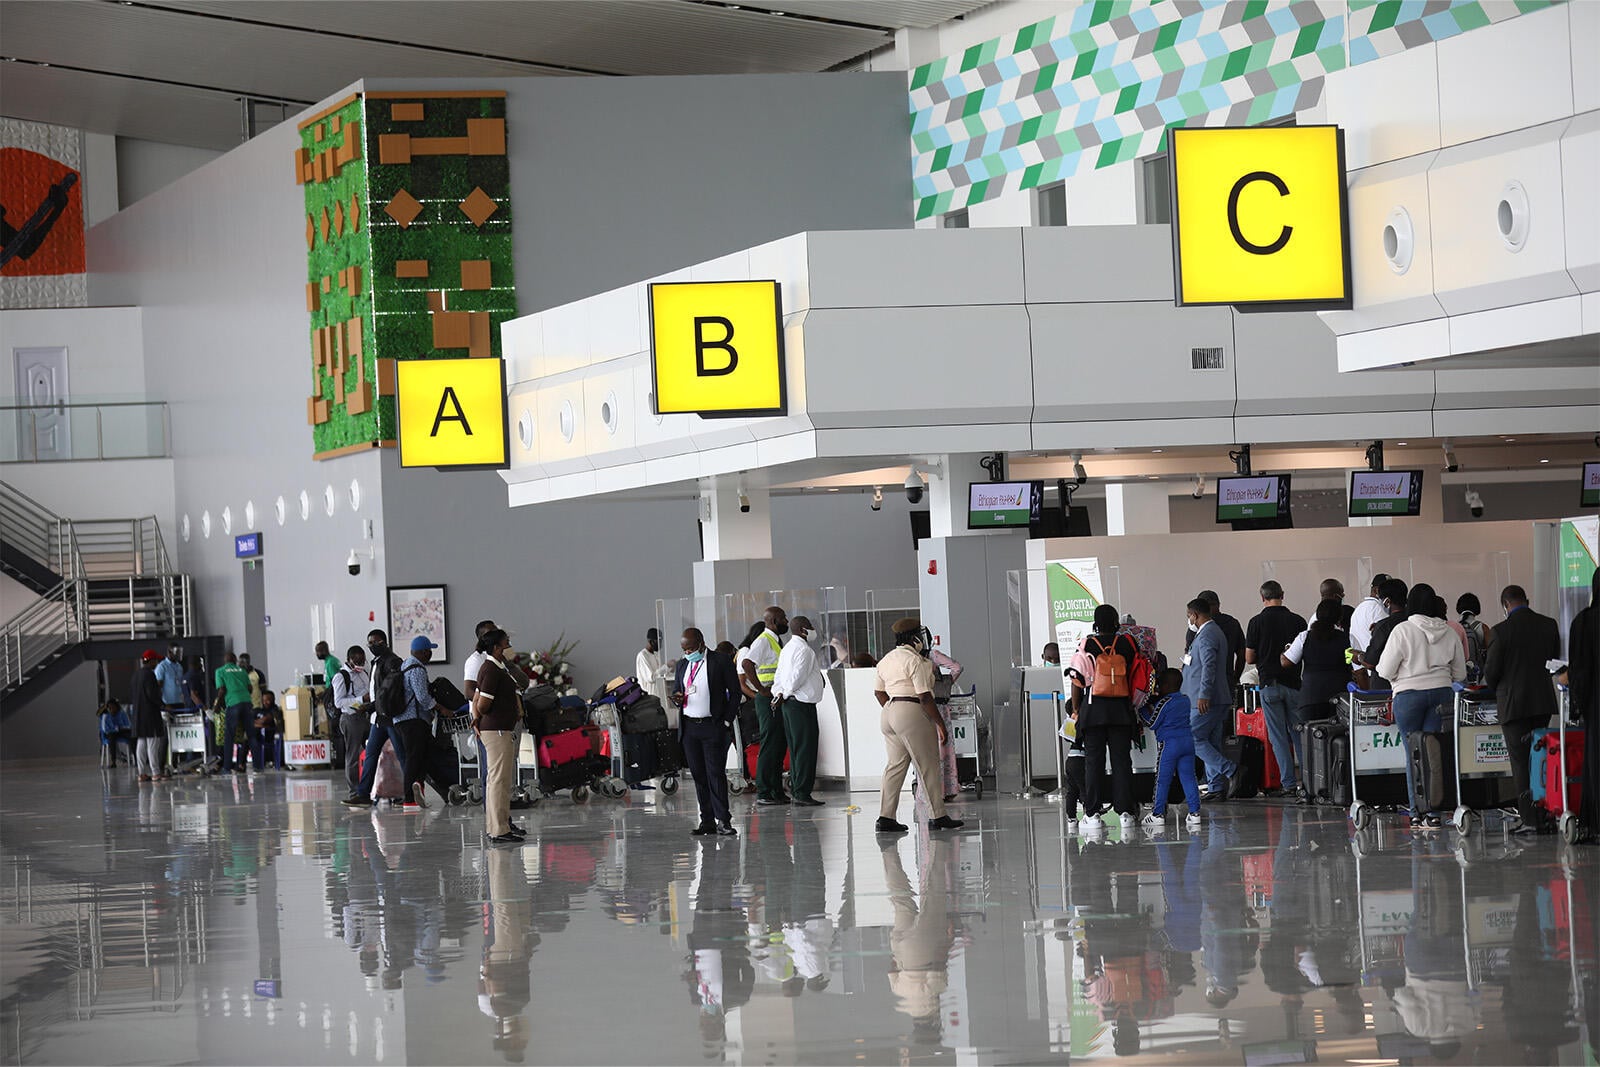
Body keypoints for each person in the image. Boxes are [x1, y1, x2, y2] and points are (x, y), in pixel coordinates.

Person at [1376, 584, 1466, 829]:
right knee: (1434, 755)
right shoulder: (1448, 632)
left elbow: (1384, 670)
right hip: (1441, 695)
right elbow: (1460, 673)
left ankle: (1417, 812)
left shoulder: (1402, 630)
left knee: (1412, 754)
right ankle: (1434, 812)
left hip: (1408, 696)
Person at [1483, 584, 1561, 834]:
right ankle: (1546, 815)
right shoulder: (1548, 624)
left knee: (1520, 762)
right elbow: (1553, 661)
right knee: (1541, 759)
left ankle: (1529, 820)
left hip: (1513, 705)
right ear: (1526, 600)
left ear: (1505, 605)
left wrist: (1497, 688)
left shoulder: (1500, 631)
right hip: (1542, 702)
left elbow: (1491, 672)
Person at [874, 617, 963, 834]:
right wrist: (940, 724)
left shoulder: (885, 660)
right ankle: (938, 816)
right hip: (912, 709)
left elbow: (879, 692)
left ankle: (886, 818)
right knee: (928, 765)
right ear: (914, 638)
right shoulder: (917, 661)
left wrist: (895, 711)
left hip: (889, 712)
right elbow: (924, 697)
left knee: (895, 766)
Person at [1067, 604, 1141, 832]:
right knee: (1122, 763)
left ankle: (1092, 814)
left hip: (1094, 711)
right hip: (1121, 710)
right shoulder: (1128, 644)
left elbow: (1077, 680)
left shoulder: (1086, 644)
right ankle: (1126, 813)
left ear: (1095, 622)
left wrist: (1077, 709)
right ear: (1117, 621)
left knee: (1094, 764)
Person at [673, 627, 740, 836]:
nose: (687, 653)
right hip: (690, 728)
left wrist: (727, 721)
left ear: (701, 643)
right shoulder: (682, 665)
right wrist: (677, 698)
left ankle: (724, 820)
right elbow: (679, 690)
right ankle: (707, 821)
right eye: (684, 650)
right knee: (699, 776)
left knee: (715, 774)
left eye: (690, 648)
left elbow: (735, 693)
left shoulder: (720, 661)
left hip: (713, 726)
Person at [1245, 580, 1308, 799]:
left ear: (1262, 597)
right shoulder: (1298, 621)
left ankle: (1289, 784)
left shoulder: (1256, 622)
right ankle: (1308, 783)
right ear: (1283, 594)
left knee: (1278, 737)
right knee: (1299, 734)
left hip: (1269, 685)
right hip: (1294, 685)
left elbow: (1249, 657)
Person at [471, 628, 524, 844]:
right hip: (496, 731)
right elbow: (482, 703)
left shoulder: (498, 667)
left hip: (500, 730)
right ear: (496, 647)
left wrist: (475, 719)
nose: (509, 647)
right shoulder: (491, 669)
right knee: (497, 781)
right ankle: (498, 830)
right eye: (506, 643)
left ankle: (499, 826)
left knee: (500, 781)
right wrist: (478, 717)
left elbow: (476, 697)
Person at [345, 629, 409, 807]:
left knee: (402, 755)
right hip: (378, 718)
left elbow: (389, 692)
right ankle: (364, 794)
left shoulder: (392, 661)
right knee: (371, 755)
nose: (373, 646)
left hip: (389, 717)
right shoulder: (376, 662)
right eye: (370, 644)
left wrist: (371, 706)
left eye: (376, 643)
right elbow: (377, 691)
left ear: (385, 642)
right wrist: (371, 707)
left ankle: (410, 792)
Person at [1184, 597, 1236, 801]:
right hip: (1214, 697)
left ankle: (1231, 770)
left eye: (1189, 616)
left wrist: (1204, 694)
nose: (1189, 620)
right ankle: (1215, 787)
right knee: (1211, 741)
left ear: (1195, 615)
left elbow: (1209, 666)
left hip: (1207, 699)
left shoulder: (1207, 635)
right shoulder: (1211, 632)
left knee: (1192, 737)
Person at [771, 615, 826, 807]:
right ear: (803, 630)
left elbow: (779, 676)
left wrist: (778, 694)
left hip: (789, 704)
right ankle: (802, 792)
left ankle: (797, 789)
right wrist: (784, 693)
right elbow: (797, 677)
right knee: (805, 749)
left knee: (796, 748)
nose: (813, 630)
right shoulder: (805, 650)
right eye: (810, 627)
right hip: (801, 705)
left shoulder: (787, 649)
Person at [1140, 668, 1202, 831]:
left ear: (1166, 685)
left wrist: (1142, 709)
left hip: (1170, 744)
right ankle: (1195, 813)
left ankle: (1157, 814)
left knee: (1162, 779)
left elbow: (1152, 723)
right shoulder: (1185, 700)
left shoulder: (1164, 702)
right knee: (1189, 778)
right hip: (1188, 742)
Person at [740, 606, 790, 807]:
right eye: (784, 618)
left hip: (775, 697)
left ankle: (776, 790)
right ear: (774, 620)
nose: (786, 622)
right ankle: (764, 790)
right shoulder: (763, 640)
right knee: (770, 744)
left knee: (779, 745)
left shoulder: (776, 641)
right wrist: (760, 689)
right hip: (766, 697)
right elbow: (747, 664)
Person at [396, 635, 450, 811]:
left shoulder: (404, 665)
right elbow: (422, 697)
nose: (431, 654)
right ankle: (409, 799)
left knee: (420, 757)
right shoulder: (417, 669)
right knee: (414, 758)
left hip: (402, 720)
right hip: (414, 720)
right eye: (429, 651)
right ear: (423, 651)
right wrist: (441, 708)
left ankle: (418, 786)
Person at [1281, 599, 1355, 722]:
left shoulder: (1305, 636)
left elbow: (1286, 662)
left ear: (1317, 615)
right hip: (1340, 699)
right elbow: (1359, 671)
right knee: (1341, 737)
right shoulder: (1348, 638)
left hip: (1310, 698)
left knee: (1310, 738)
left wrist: (1286, 650)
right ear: (1339, 618)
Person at [1568, 568, 1599, 842]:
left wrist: (1578, 703)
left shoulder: (1584, 622)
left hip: (1595, 704)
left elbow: (1579, 669)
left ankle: (1595, 824)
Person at [1186, 591, 1245, 692]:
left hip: (1200, 683)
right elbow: (1242, 654)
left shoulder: (1197, 627)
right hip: (1226, 681)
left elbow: (1189, 656)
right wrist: (1234, 678)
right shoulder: (1232, 623)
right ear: (1218, 604)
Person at [332, 645, 370, 799]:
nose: (360, 663)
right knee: (353, 756)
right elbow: (339, 702)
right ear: (349, 660)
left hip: (366, 716)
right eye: (357, 661)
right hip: (350, 718)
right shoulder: (341, 677)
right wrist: (362, 700)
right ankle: (354, 792)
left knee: (371, 753)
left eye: (362, 660)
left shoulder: (364, 673)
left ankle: (370, 788)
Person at [1357, 577, 1410, 686]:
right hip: (1410, 682)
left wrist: (1358, 656)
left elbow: (1370, 663)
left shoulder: (1384, 626)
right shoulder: (1413, 620)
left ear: (1387, 601)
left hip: (1385, 687)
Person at [214, 651, 254, 774]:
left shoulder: (220, 671)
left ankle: (227, 767)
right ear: (235, 660)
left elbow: (222, 690)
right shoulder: (242, 671)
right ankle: (257, 766)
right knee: (250, 736)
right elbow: (250, 688)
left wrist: (217, 705)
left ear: (225, 660)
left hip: (233, 704)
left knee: (229, 737)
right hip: (247, 703)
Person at [130, 649, 167, 782]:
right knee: (153, 744)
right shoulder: (149, 675)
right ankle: (156, 772)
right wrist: (163, 705)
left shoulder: (136, 675)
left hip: (138, 715)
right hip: (150, 715)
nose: (157, 663)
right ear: (150, 661)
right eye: (155, 660)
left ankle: (141, 773)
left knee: (141, 743)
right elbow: (152, 694)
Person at [1456, 593, 1494, 682]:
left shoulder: (1454, 627)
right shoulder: (1483, 627)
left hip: (1459, 675)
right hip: (1478, 675)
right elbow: (1492, 653)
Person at [635, 627, 673, 716]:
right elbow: (651, 678)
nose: (660, 645)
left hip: (659, 698)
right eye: (659, 642)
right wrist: (667, 666)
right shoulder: (642, 656)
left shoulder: (656, 655)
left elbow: (660, 674)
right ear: (651, 641)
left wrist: (670, 668)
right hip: (649, 699)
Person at [1349, 574, 1389, 653]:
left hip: (1360, 660)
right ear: (1376, 590)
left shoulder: (1359, 608)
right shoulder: (1378, 609)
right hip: (1373, 661)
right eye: (1388, 591)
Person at [254, 689, 285, 770]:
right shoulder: (258, 710)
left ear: (273, 700)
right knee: (246, 739)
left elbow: (266, 720)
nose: (265, 702)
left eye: (268, 700)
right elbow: (249, 722)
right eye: (264, 700)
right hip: (258, 735)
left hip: (270, 735)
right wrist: (261, 725)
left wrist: (256, 723)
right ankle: (241, 764)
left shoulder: (275, 709)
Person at [98, 698, 133, 766]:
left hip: (121, 731)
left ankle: (134, 757)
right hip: (109, 733)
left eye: (113, 707)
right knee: (111, 738)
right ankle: (113, 761)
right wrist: (115, 729)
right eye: (110, 708)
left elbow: (128, 725)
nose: (112, 710)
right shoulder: (106, 716)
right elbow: (105, 729)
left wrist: (121, 728)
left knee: (131, 736)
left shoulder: (122, 714)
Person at [156, 644, 186, 714]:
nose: (178, 654)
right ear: (169, 652)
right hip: (167, 704)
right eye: (177, 652)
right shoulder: (162, 666)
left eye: (179, 652)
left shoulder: (180, 667)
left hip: (180, 702)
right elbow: (157, 687)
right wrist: (162, 704)